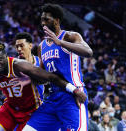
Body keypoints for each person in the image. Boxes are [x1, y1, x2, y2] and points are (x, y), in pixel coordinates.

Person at [0, 40, 86, 131]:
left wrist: (73, 89)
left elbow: (50, 77)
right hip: (9, 109)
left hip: (31, 111)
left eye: (0, 59)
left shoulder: (20, 66)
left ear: (6, 56)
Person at [23, 3, 93, 131]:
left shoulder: (70, 36)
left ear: (57, 20)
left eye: (47, 19)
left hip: (73, 96)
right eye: (41, 20)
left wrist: (60, 42)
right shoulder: (41, 46)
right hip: (53, 97)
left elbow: (88, 52)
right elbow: (45, 77)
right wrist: (29, 74)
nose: (43, 23)